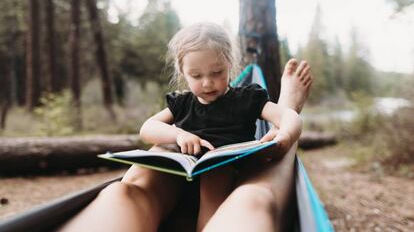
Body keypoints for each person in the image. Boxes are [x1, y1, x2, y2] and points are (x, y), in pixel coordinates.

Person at [59, 23, 312, 232]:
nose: (208, 83)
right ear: (183, 72)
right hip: (182, 174)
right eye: (197, 76)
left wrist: (285, 136)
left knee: (217, 179)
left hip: (225, 171)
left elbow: (287, 116)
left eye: (217, 72)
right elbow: (148, 128)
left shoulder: (246, 98)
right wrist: (178, 134)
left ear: (231, 65)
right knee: (127, 183)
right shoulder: (182, 103)